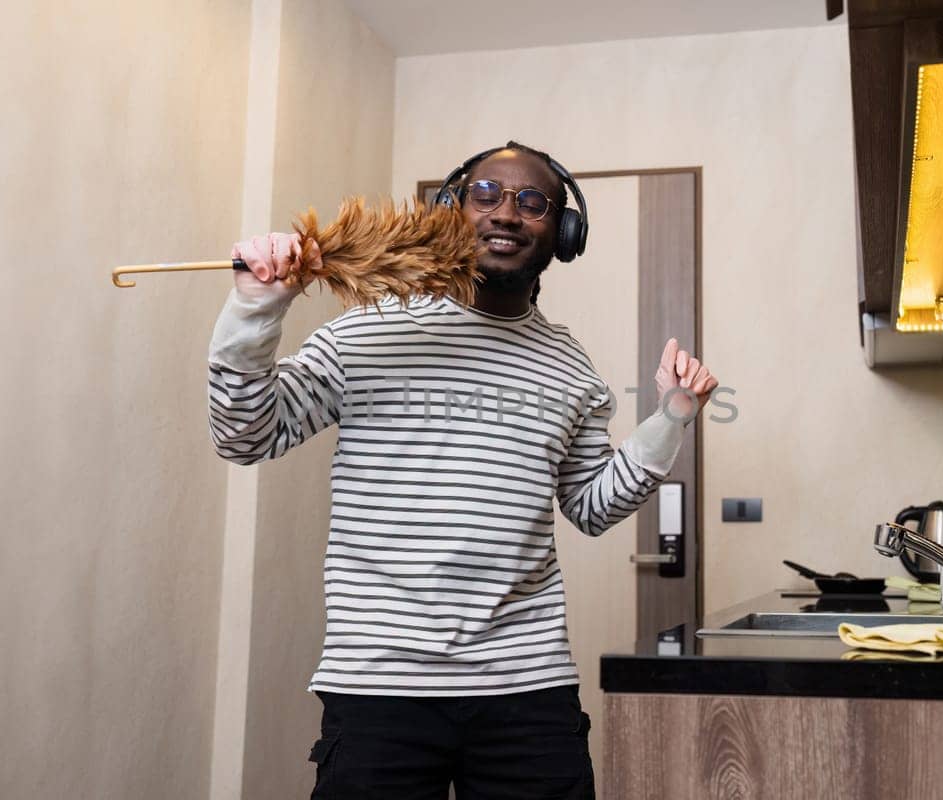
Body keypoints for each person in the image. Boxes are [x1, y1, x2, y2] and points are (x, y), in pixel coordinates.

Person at [208, 141, 718, 799]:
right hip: (379, 686)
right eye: (487, 195)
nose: (507, 213)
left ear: (563, 233)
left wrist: (671, 416)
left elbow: (594, 507)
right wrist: (256, 308)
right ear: (451, 212)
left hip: (528, 688)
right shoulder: (368, 330)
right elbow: (245, 435)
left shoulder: (570, 366)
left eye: (532, 202)